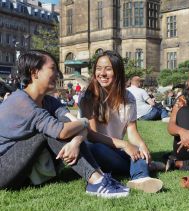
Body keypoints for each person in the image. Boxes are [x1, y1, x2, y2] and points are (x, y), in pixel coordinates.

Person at [0, 50, 129, 198]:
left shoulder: (48, 101)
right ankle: (96, 182)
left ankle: (100, 176)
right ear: (35, 72)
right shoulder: (21, 102)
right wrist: (84, 122)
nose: (58, 74)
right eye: (52, 68)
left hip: (26, 167)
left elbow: (73, 123)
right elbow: (63, 131)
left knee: (64, 126)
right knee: (50, 131)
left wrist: (76, 141)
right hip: (3, 170)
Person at [79, 50, 163, 193]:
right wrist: (125, 145)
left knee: (137, 150)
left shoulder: (128, 97)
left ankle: (140, 178)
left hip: (116, 150)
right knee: (96, 148)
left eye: (108, 69)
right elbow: (92, 136)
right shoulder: (88, 97)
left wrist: (142, 145)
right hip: (97, 151)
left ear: (117, 72)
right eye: (98, 69)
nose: (102, 73)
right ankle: (146, 167)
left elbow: (132, 130)